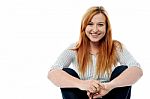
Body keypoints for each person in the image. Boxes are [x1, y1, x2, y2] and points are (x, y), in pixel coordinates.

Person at [48, 6, 143, 99]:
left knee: (122, 69)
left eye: (100, 24)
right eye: (90, 24)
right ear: (84, 27)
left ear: (106, 28)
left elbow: (137, 69)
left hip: (109, 94)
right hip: (83, 95)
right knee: (66, 72)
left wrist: (108, 86)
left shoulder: (115, 47)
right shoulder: (75, 48)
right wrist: (83, 84)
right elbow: (52, 73)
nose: (95, 29)